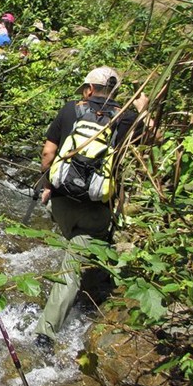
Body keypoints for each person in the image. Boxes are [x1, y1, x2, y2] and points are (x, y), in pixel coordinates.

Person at [34, 66, 149, 349]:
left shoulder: (70, 110)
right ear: (117, 92)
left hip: (61, 201)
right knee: (74, 264)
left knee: (73, 245)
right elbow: (152, 140)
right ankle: (47, 330)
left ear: (88, 89)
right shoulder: (127, 118)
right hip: (96, 206)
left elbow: (49, 152)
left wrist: (48, 184)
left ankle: (46, 330)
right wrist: (143, 110)